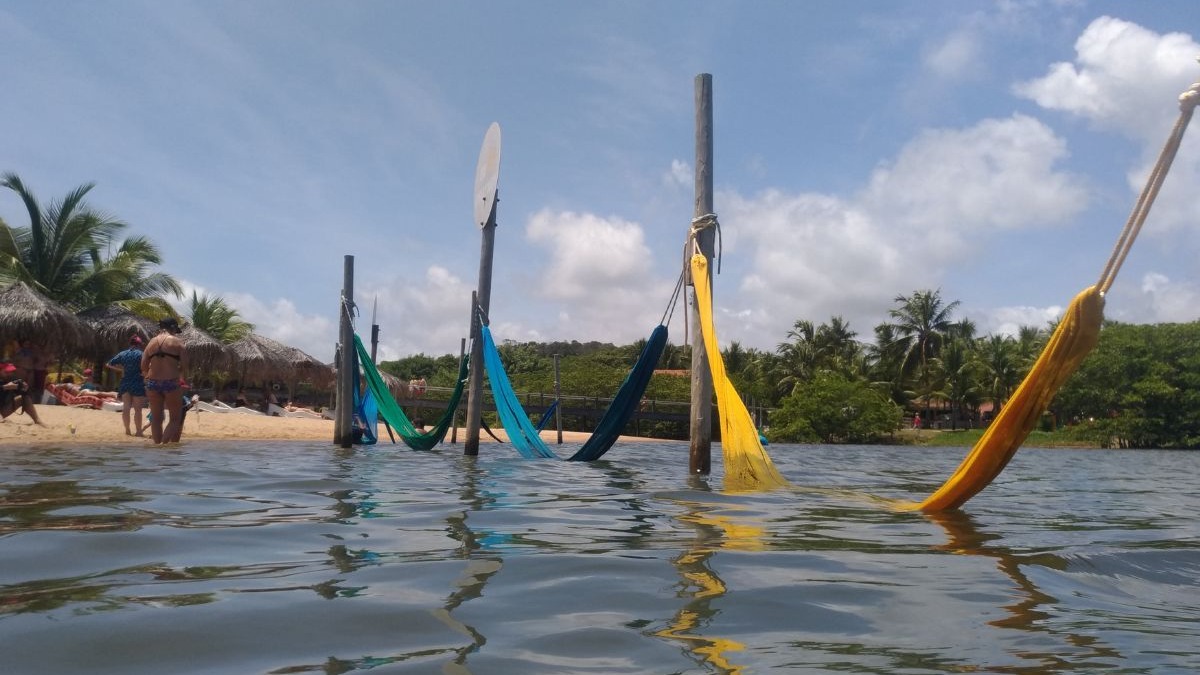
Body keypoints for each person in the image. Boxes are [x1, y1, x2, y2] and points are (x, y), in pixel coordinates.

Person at [141, 317, 188, 444]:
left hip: (152, 383)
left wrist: (148, 376)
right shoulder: (177, 343)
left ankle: (157, 447)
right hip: (171, 382)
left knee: (156, 419)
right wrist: (181, 378)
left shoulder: (151, 342)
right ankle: (163, 445)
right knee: (175, 419)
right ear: (172, 328)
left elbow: (143, 365)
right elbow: (185, 366)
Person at [106, 335, 148, 437]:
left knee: (126, 407)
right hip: (137, 382)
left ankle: (128, 430)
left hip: (125, 382)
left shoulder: (123, 354)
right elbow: (146, 368)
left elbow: (109, 364)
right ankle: (138, 432)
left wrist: (121, 370)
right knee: (138, 410)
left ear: (130, 344)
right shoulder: (141, 354)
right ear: (139, 345)